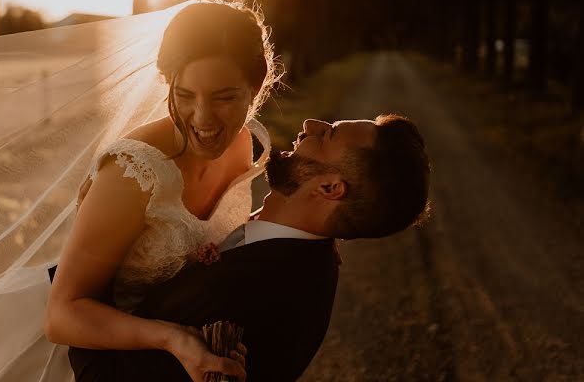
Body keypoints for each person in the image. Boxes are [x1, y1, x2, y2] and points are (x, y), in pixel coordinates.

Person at [68, 114, 432, 381]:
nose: (309, 124)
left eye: (328, 135)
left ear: (329, 189)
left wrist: (95, 246)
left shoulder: (250, 294)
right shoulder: (300, 249)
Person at [44, 0, 282, 381]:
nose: (202, 119)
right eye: (184, 95)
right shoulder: (132, 173)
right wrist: (172, 339)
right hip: (93, 360)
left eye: (223, 97)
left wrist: (310, 233)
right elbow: (61, 315)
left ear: (255, 86)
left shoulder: (242, 145)